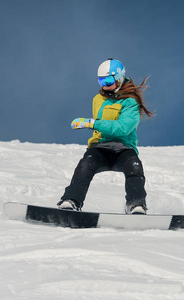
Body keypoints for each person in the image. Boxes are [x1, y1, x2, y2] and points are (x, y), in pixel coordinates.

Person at [57, 58, 154, 214]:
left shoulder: (131, 102)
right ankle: (71, 201)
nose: (105, 85)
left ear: (119, 78)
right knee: (85, 166)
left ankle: (136, 205)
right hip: (100, 147)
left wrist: (92, 123)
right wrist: (94, 125)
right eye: (101, 81)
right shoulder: (98, 99)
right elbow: (102, 128)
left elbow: (123, 128)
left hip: (123, 149)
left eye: (108, 80)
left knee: (134, 167)